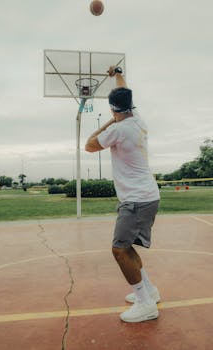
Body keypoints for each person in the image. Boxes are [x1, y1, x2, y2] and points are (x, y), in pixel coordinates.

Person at [85, 66, 160, 323]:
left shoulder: (117, 130)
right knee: (126, 247)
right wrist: (117, 73)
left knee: (119, 250)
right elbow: (124, 90)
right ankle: (148, 290)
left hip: (137, 200)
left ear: (113, 110)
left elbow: (89, 145)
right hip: (145, 196)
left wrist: (110, 120)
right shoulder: (137, 119)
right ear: (131, 105)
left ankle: (145, 303)